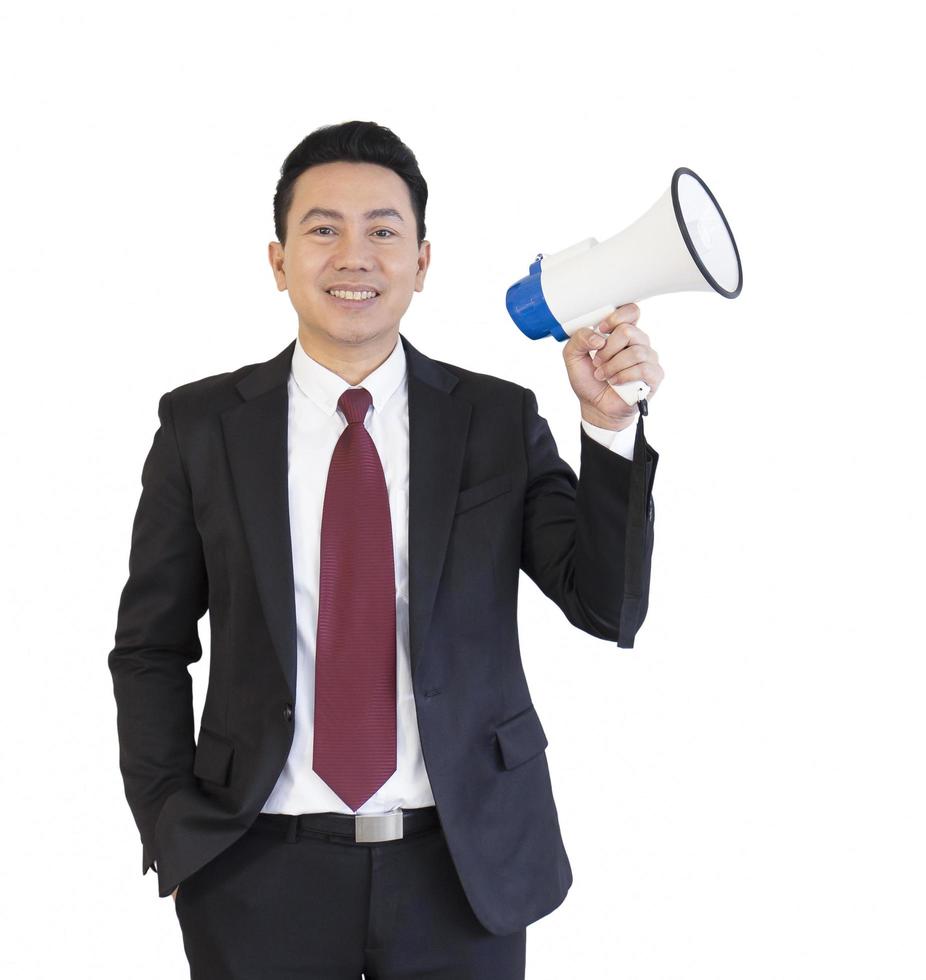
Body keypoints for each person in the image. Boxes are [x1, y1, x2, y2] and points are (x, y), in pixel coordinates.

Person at [108, 119, 662, 979]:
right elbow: (149, 647)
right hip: (255, 869)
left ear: (423, 262)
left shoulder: (495, 421)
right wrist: (171, 824)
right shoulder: (202, 426)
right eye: (322, 229)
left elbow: (607, 606)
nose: (353, 257)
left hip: (461, 866)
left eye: (383, 232)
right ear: (278, 260)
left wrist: (608, 427)